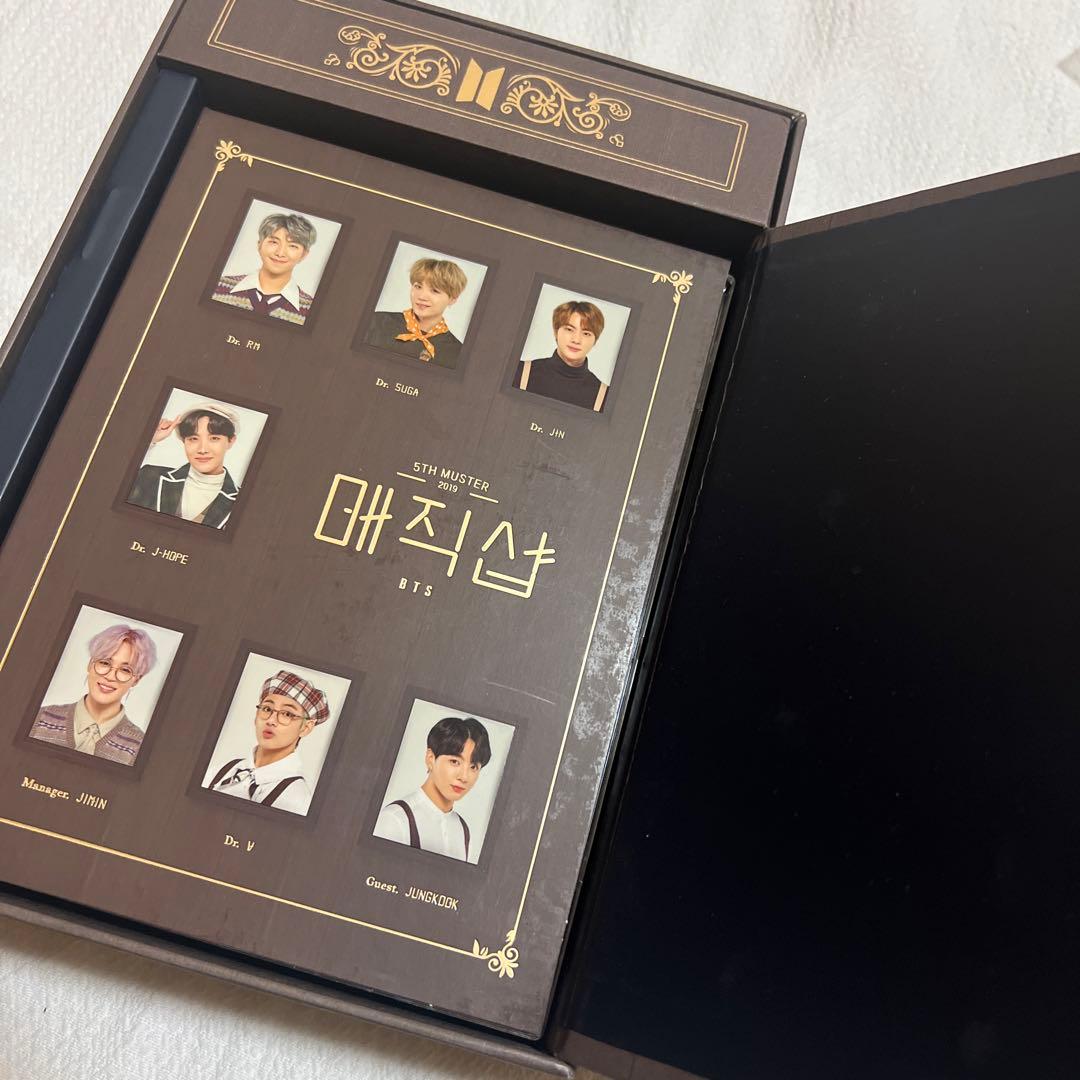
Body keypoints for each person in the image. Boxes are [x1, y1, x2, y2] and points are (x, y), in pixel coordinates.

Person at [206, 669, 331, 816]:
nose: (271, 720)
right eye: (267, 709)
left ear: (305, 728)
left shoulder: (296, 798)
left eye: (287, 714)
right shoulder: (220, 771)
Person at [29, 623, 158, 766]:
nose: (110, 676)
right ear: (90, 664)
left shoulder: (139, 747)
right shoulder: (39, 718)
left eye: (125, 670)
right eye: (105, 663)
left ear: (136, 680)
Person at [374, 715, 492, 862]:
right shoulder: (396, 820)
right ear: (430, 759)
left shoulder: (463, 831)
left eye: (473, 767)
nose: (464, 777)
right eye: (454, 761)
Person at [127, 401, 240, 529]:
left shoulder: (242, 502)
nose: (203, 449)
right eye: (193, 439)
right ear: (184, 441)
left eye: (214, 438)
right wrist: (149, 441)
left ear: (231, 441)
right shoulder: (150, 476)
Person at [212, 212, 318, 326]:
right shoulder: (218, 286)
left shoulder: (310, 310)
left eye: (293, 246)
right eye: (274, 242)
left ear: (303, 255)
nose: (280, 253)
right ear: (259, 245)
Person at [364, 257, 468, 368]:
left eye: (435, 290)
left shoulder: (457, 352)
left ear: (453, 299)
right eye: (418, 286)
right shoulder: (376, 321)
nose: (421, 296)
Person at [516, 299, 609, 412]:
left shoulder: (604, 397)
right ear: (556, 332)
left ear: (595, 340)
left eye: (586, 333)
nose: (576, 340)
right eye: (569, 329)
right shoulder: (519, 372)